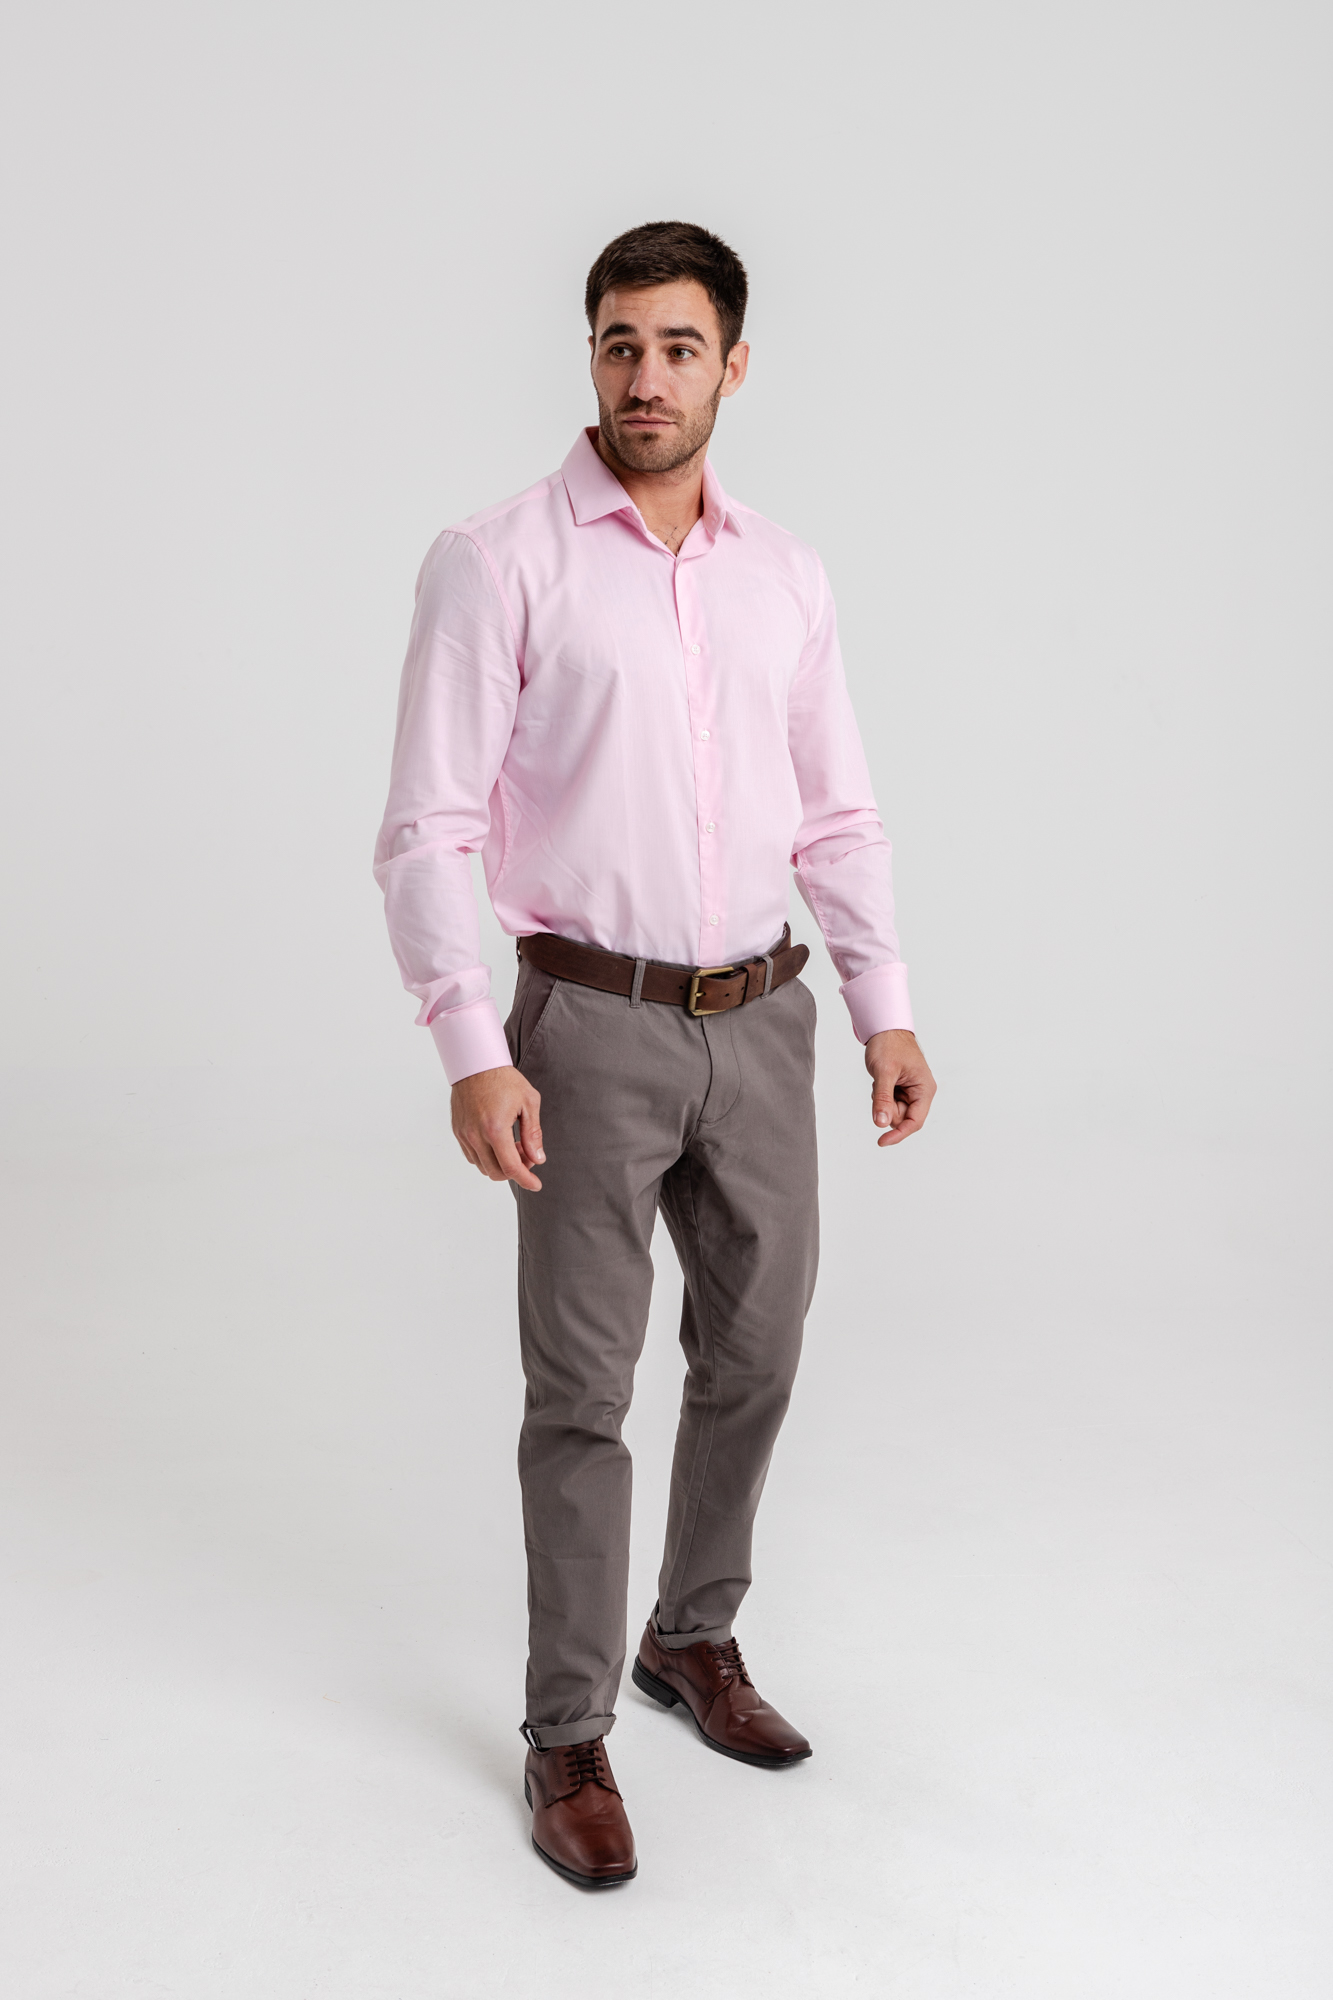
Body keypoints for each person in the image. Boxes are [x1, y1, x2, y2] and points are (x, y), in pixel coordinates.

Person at [374, 220, 936, 1889]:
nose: (644, 376)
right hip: (586, 1025)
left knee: (756, 1349)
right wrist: (471, 1045)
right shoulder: (497, 561)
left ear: (731, 367)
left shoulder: (787, 575)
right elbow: (426, 826)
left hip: (762, 1021)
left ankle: (690, 1638)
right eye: (619, 343)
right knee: (583, 1389)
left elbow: (834, 810)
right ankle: (566, 1728)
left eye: (678, 346)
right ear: (591, 358)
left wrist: (884, 1006)